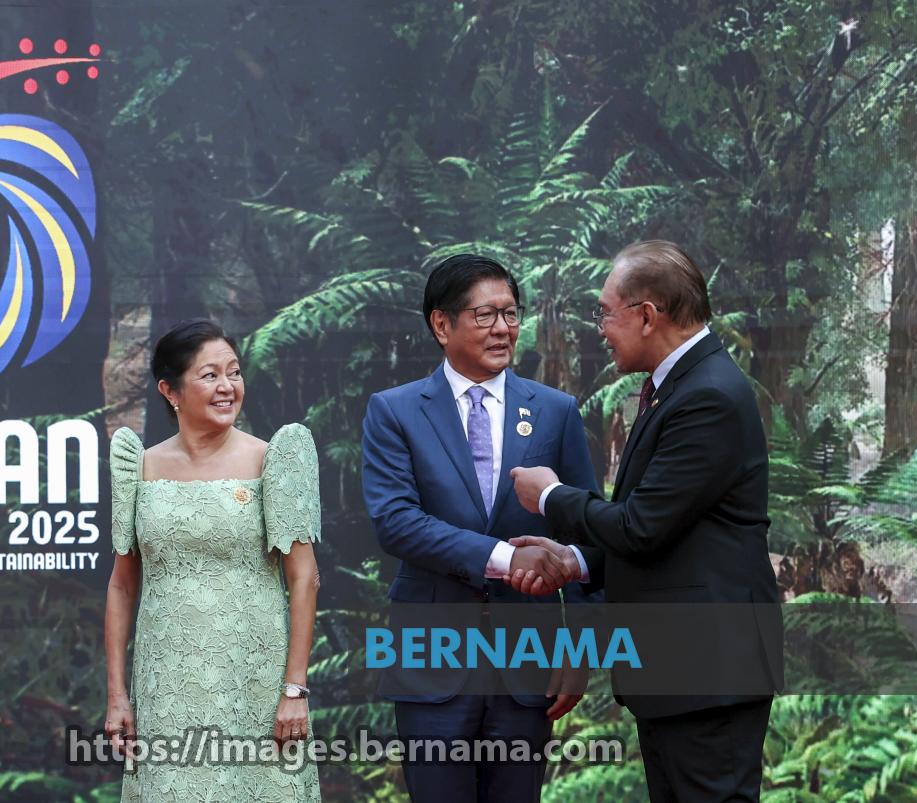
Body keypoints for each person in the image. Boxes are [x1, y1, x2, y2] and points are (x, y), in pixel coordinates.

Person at [507, 240, 784, 802]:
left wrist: (551, 495)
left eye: (605, 313)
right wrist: (575, 561)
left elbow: (641, 526)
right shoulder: (676, 387)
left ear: (647, 315)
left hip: (709, 675)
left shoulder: (708, 396)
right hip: (681, 674)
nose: (601, 330)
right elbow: (664, 529)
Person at [361, 253, 602, 802]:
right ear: (441, 325)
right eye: (485, 315)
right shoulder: (395, 411)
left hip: (528, 664)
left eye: (511, 314)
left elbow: (587, 535)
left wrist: (583, 648)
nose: (502, 328)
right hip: (431, 660)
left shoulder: (555, 410)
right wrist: (506, 558)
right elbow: (397, 523)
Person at [104, 319, 323, 802]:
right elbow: (121, 585)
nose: (227, 387)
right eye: (209, 375)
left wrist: (294, 690)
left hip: (255, 683)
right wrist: (118, 695)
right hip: (166, 686)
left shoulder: (273, 459)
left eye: (234, 372)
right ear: (170, 391)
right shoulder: (139, 467)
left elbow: (304, 578)